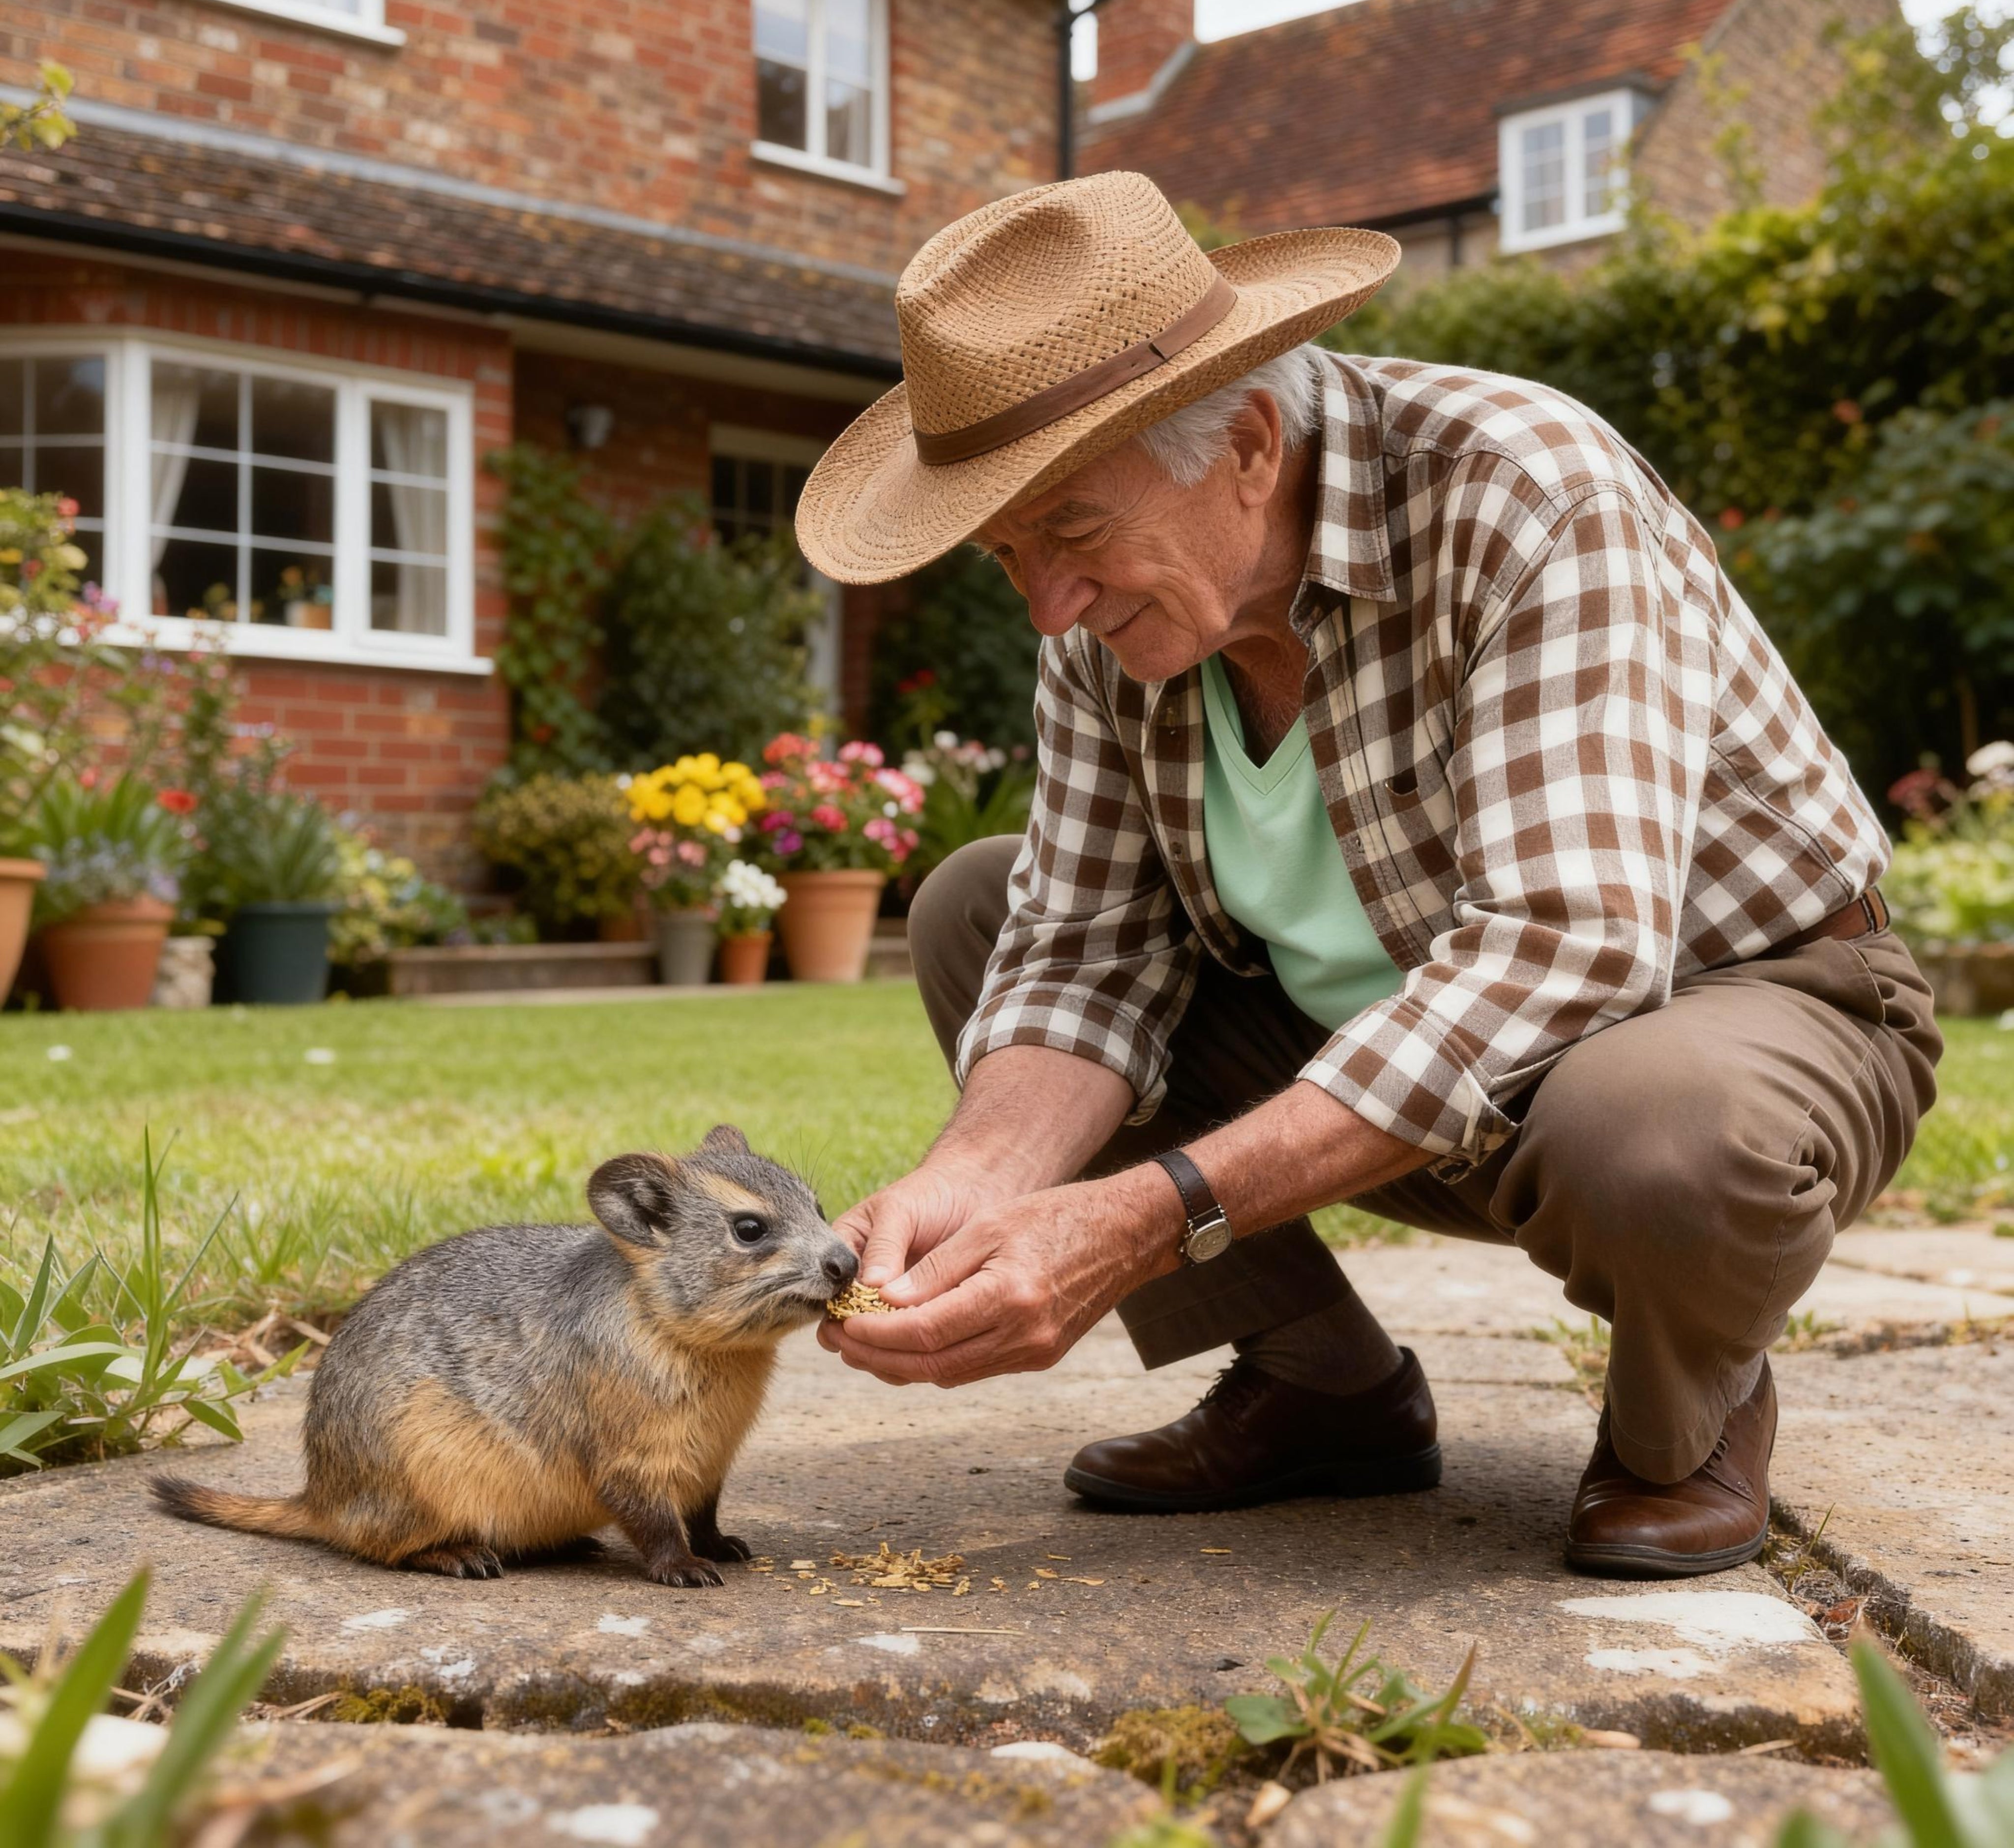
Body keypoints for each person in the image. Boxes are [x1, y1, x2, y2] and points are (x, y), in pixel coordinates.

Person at [795, 171, 1940, 1578]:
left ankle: (1686, 1413)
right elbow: (1083, 950)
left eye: (1076, 535)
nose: (1049, 606)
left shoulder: (1523, 490)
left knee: (1653, 1128)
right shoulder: (1102, 614)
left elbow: (1562, 950)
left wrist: (1144, 1220)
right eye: (1006, 553)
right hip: (1390, 1051)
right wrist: (971, 1183)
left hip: (1734, 1009)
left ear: (1251, 448)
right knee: (981, 904)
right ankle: (1324, 1386)